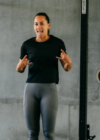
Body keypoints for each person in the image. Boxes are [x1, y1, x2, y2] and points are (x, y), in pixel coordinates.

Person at [16, 12, 72, 140]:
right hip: (30, 90)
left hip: (49, 90)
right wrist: (21, 66)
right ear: (33, 26)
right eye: (36, 24)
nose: (38, 27)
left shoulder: (57, 43)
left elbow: (67, 68)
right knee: (32, 134)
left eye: (42, 23)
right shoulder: (27, 45)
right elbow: (19, 69)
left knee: (49, 134)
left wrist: (69, 62)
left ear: (48, 25)